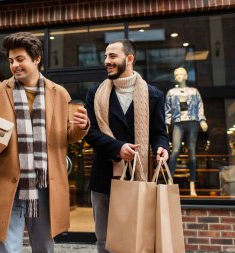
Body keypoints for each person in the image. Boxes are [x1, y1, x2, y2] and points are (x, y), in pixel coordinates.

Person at [0, 32, 89, 253]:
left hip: (45, 187)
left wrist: (81, 127)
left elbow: (66, 135)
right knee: (6, 249)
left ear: (36, 58)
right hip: (8, 186)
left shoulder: (58, 94)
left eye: (20, 59)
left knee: (44, 248)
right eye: (11, 61)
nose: (14, 65)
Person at [84, 39, 169, 253]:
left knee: (136, 237)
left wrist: (162, 147)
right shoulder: (95, 93)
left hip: (137, 179)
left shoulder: (154, 94)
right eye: (105, 56)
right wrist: (117, 148)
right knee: (104, 240)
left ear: (129, 58)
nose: (107, 61)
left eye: (112, 56)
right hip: (104, 177)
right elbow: (90, 132)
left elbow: (160, 132)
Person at [165, 67, 208, 196]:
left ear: (186, 76)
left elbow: (200, 105)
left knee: (192, 152)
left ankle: (192, 186)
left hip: (193, 122)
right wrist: (166, 124)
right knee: (175, 150)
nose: (179, 76)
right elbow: (167, 109)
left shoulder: (194, 91)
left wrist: (202, 120)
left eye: (181, 74)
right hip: (178, 123)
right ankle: (170, 181)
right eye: (176, 74)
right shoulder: (171, 92)